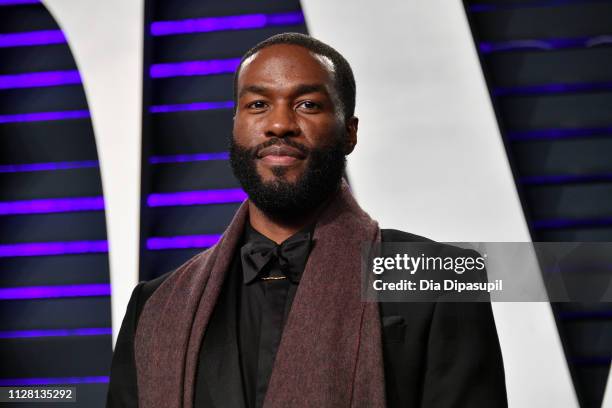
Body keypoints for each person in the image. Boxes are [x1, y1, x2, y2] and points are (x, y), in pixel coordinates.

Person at [106, 33, 507, 408]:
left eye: (308, 105)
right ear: (235, 126)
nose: (279, 124)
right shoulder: (154, 306)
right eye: (258, 104)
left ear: (350, 133)